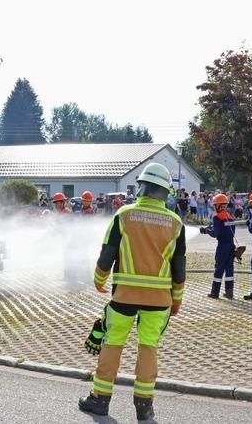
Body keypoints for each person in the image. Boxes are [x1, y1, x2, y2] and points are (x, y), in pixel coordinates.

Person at [78, 163, 186, 420]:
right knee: (149, 347)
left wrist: (99, 278)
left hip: (124, 297)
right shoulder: (175, 223)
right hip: (159, 301)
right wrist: (177, 299)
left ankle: (100, 399)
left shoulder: (123, 215)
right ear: (165, 191)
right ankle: (144, 407)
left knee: (112, 343)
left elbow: (107, 254)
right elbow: (179, 266)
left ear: (142, 187)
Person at [200, 194, 237, 299]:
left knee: (219, 268)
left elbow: (217, 233)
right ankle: (229, 292)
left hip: (222, 247)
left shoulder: (217, 217)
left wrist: (207, 231)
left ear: (217, 205)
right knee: (229, 269)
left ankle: (214, 292)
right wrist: (210, 228)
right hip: (231, 245)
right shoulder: (230, 217)